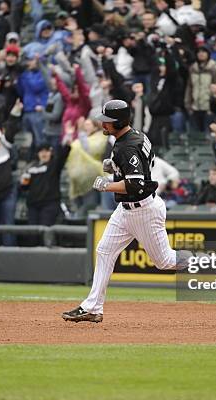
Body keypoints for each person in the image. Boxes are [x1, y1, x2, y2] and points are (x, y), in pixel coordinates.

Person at [62, 100, 192, 323]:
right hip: (126, 209)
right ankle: (93, 307)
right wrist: (116, 168)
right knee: (104, 250)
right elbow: (141, 165)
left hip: (143, 209)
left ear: (120, 122)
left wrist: (107, 184)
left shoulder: (126, 146)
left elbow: (136, 184)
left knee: (165, 261)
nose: (104, 125)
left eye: (108, 122)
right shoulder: (134, 136)